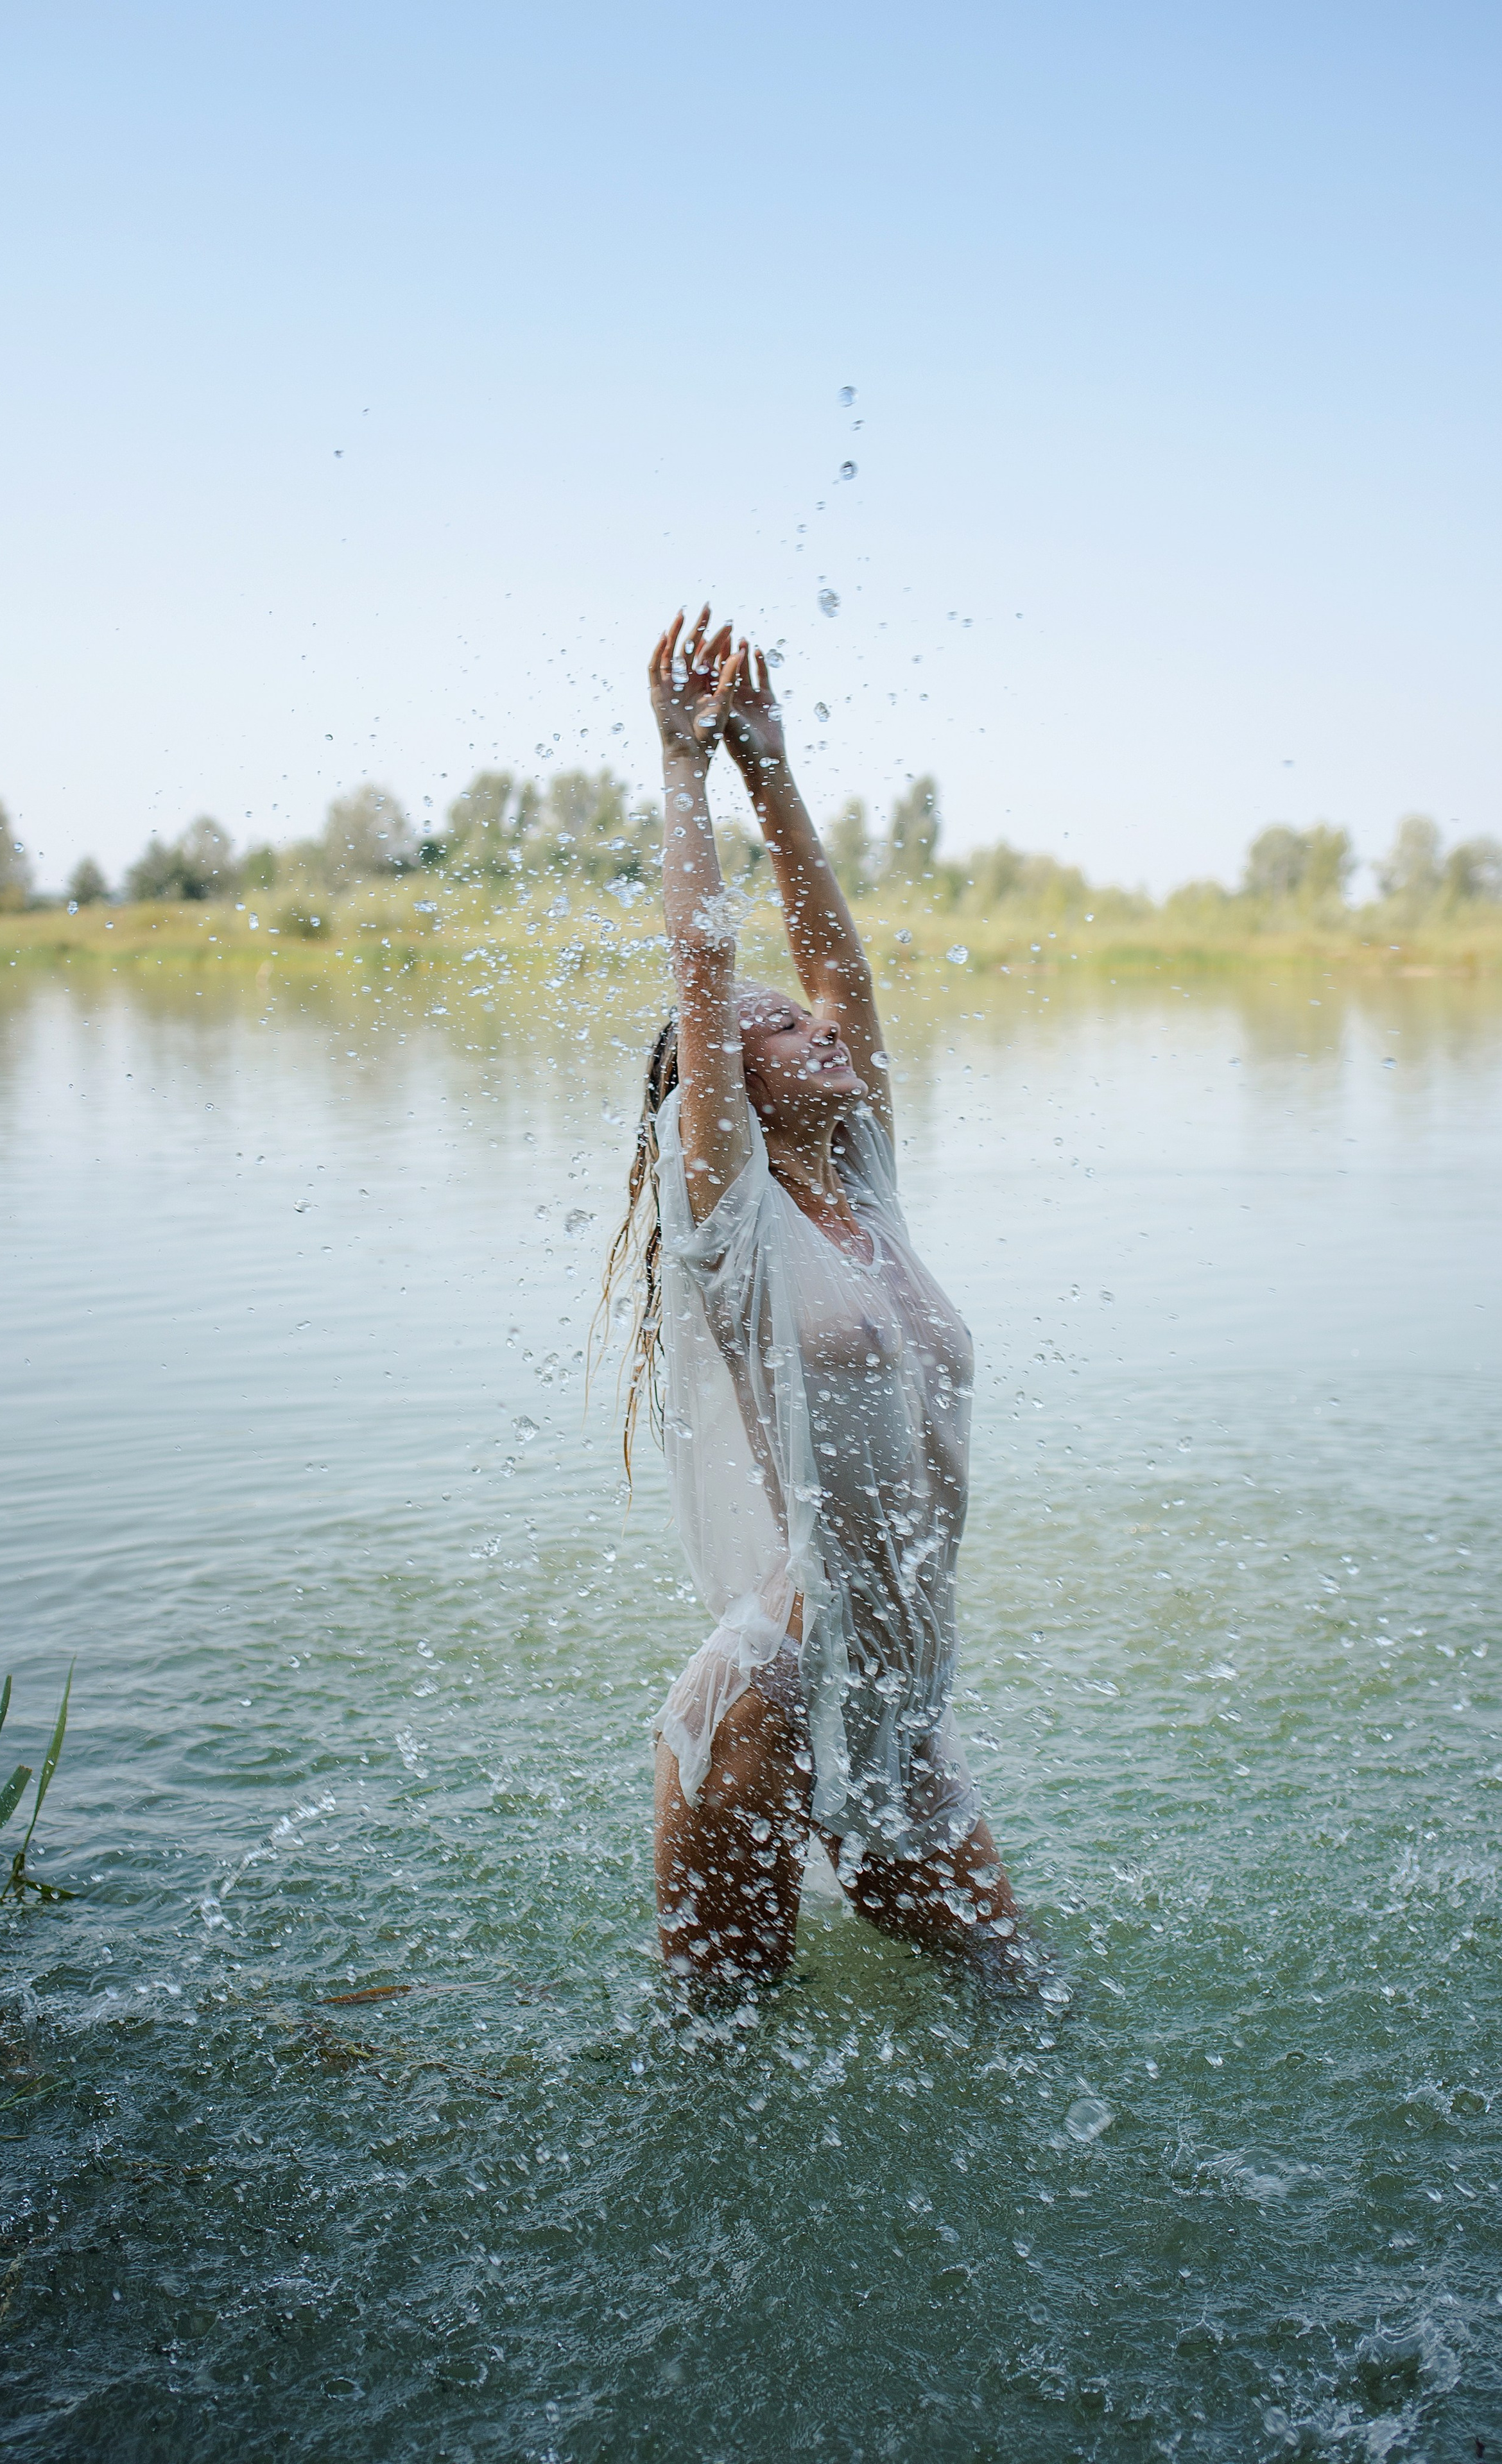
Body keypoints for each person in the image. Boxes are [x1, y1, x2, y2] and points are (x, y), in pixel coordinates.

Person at [603, 608, 1030, 1999]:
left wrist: (769, 767)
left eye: (815, 1018)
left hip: (901, 1708)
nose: (821, 1025)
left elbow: (841, 968)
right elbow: (704, 965)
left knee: (1025, 2007)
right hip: (770, 1696)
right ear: (720, 1083)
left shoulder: (870, 1192)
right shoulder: (731, 1224)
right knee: (719, 2065)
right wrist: (680, 767)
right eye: (779, 1028)